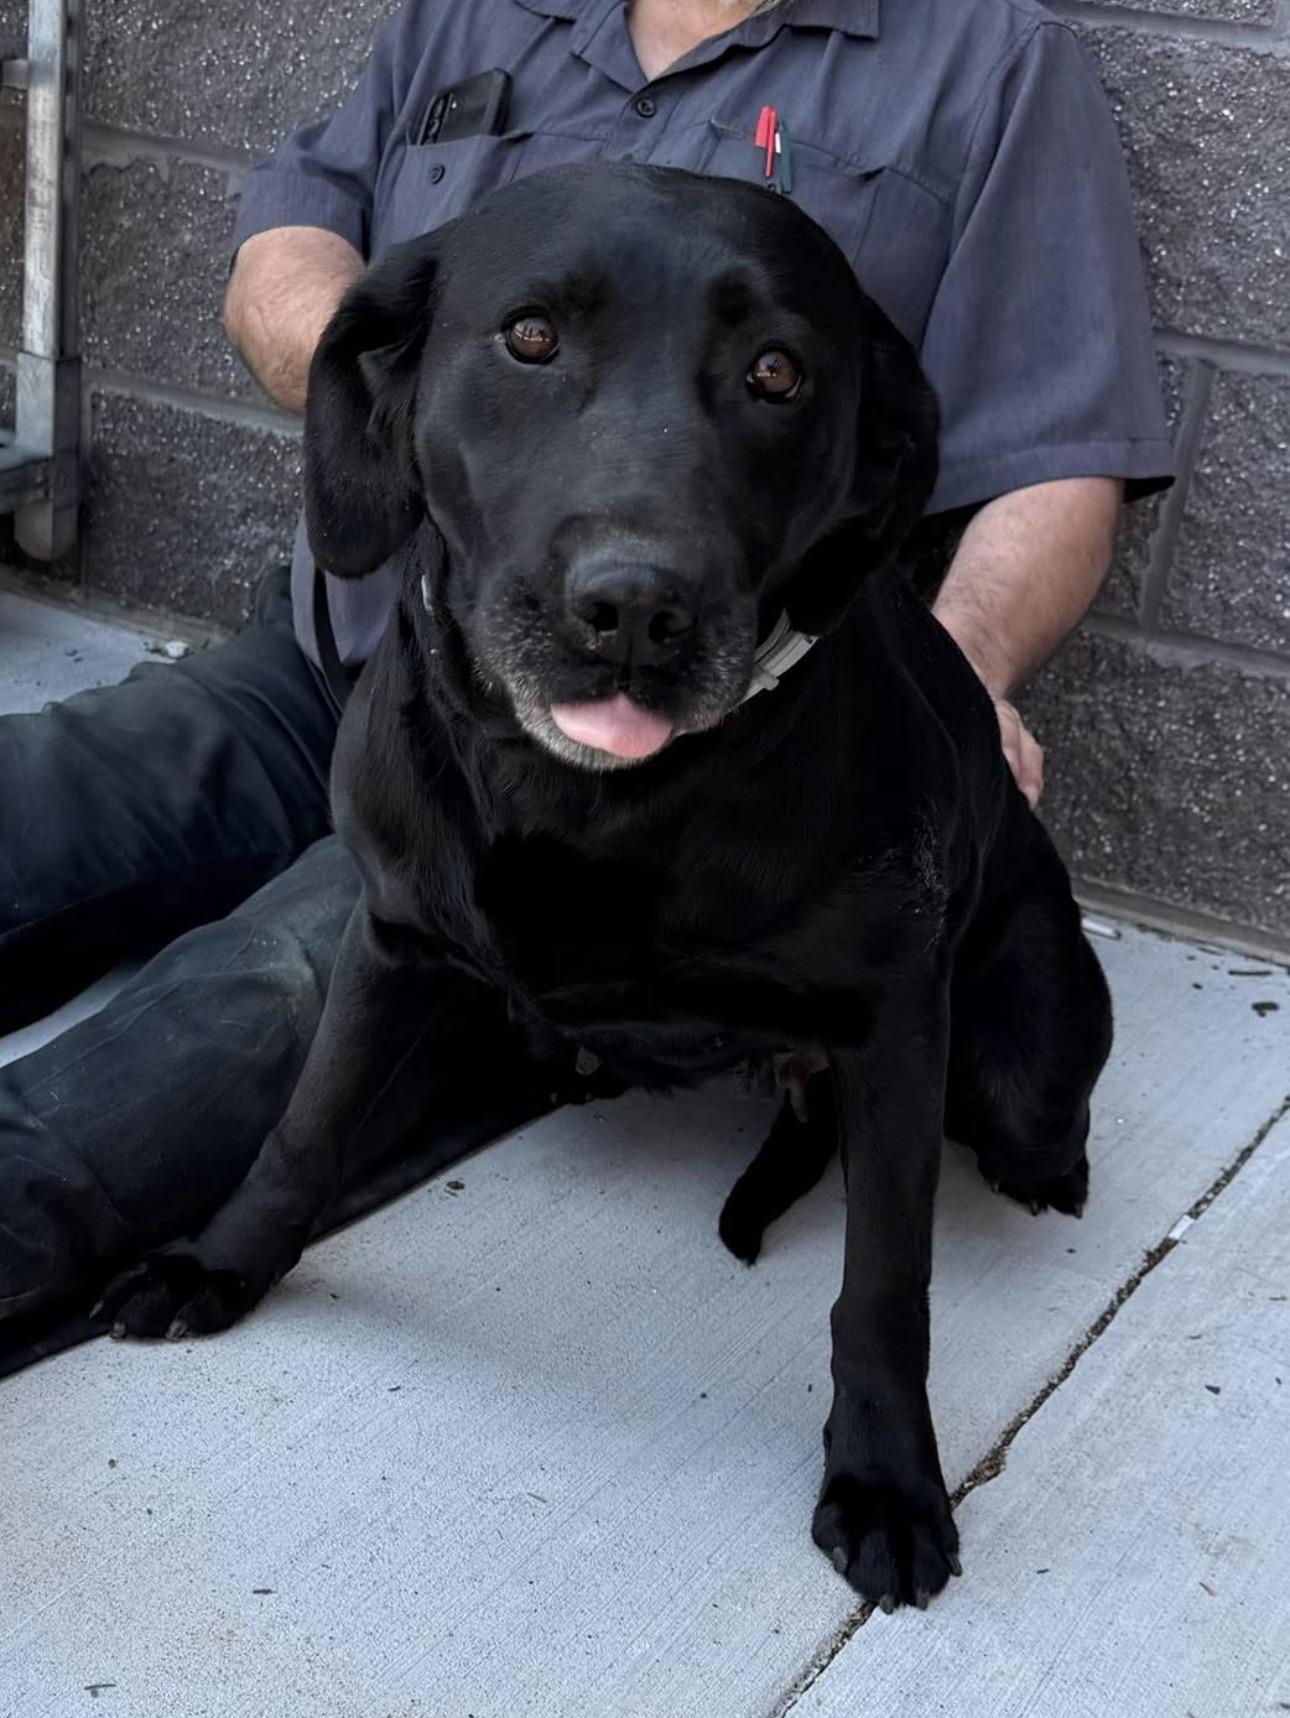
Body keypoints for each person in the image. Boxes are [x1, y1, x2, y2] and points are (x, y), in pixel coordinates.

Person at [0, 0, 1173, 1360]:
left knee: (232, 1018)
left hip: (635, 799)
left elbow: (1054, 461)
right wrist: (421, 356)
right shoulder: (473, 13)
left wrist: (953, 698)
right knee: (39, 799)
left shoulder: (986, 69)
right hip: (351, 662)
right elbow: (289, 240)